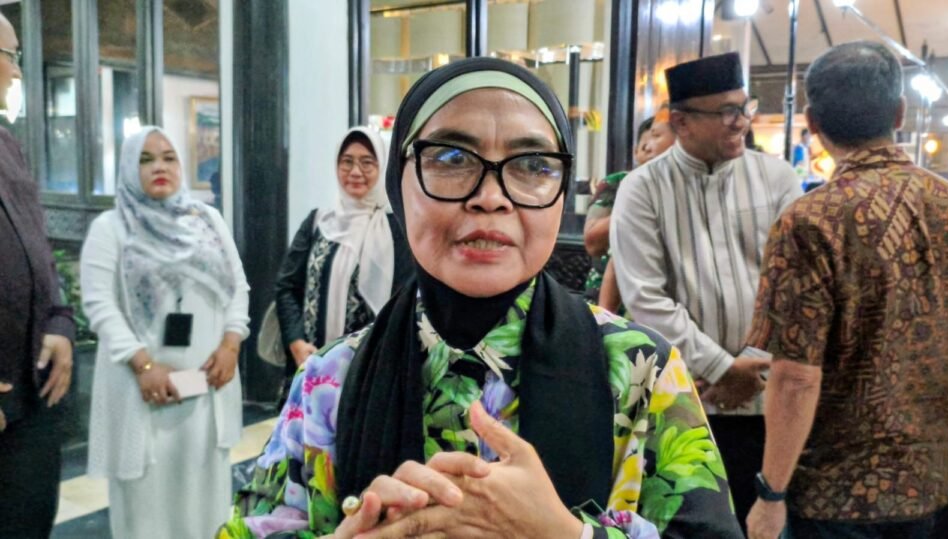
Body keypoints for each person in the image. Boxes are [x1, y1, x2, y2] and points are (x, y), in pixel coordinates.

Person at [220, 57, 741, 539]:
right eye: (451, 158)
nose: (490, 198)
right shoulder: (329, 380)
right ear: (399, 184)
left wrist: (566, 533)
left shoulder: (642, 370)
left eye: (532, 164)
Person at [744, 41, 948, 539]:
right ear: (899, 113)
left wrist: (770, 495)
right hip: (928, 481)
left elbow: (795, 378)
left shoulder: (811, 220)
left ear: (813, 123)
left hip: (831, 492)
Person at [610, 52, 802, 533]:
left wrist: (748, 368)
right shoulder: (642, 188)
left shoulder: (777, 178)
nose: (741, 122)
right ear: (682, 122)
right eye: (726, 112)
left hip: (768, 401)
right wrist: (719, 368)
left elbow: (795, 285)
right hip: (684, 401)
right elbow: (646, 299)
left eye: (744, 107)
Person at [80, 126, 250, 539]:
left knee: (203, 502)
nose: (159, 167)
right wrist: (144, 364)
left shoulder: (207, 220)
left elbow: (238, 287)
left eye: (169, 158)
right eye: (146, 159)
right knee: (147, 510)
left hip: (205, 387)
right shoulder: (112, 227)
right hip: (143, 392)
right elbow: (100, 305)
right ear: (128, 168)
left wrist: (231, 344)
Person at [0, 12, 75, 539]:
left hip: (32, 397)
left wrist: (61, 325)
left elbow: (39, 255)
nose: (18, 73)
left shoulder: (9, 146)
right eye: (11, 57)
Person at [273, 127, 413, 400]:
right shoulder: (318, 222)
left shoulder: (395, 229)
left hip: (365, 374)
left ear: (383, 167)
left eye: (367, 162)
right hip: (310, 365)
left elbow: (402, 302)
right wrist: (296, 342)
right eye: (347, 161)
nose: (355, 171)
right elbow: (287, 286)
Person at [583, 108, 674, 305]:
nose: (649, 148)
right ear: (637, 151)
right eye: (647, 141)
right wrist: (636, 210)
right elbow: (593, 243)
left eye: (657, 137)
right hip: (609, 303)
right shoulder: (618, 184)